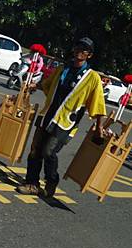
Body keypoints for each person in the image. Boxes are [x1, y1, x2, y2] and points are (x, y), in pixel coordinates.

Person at [16, 37, 106, 198]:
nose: (80, 50)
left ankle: (51, 180)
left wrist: (99, 127)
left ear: (89, 55)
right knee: (35, 148)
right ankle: (32, 183)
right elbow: (48, 84)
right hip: (47, 114)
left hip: (66, 122)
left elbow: (98, 104)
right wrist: (34, 86)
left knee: (48, 151)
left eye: (84, 49)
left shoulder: (92, 78)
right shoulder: (62, 69)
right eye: (78, 46)